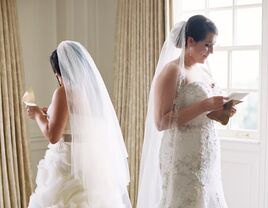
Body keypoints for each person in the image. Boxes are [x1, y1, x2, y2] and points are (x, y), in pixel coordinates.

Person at [137, 15, 236, 208]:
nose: (211, 51)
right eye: (207, 45)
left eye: (212, 45)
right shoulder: (172, 71)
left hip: (206, 154)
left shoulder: (204, 71)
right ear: (190, 41)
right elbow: (161, 122)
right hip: (182, 155)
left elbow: (204, 113)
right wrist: (204, 105)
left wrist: (221, 112)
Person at [25, 40, 132, 207]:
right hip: (91, 162)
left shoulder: (63, 92)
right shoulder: (92, 92)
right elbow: (77, 120)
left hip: (67, 163)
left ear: (58, 73)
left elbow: (53, 136)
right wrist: (50, 112)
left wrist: (37, 115)